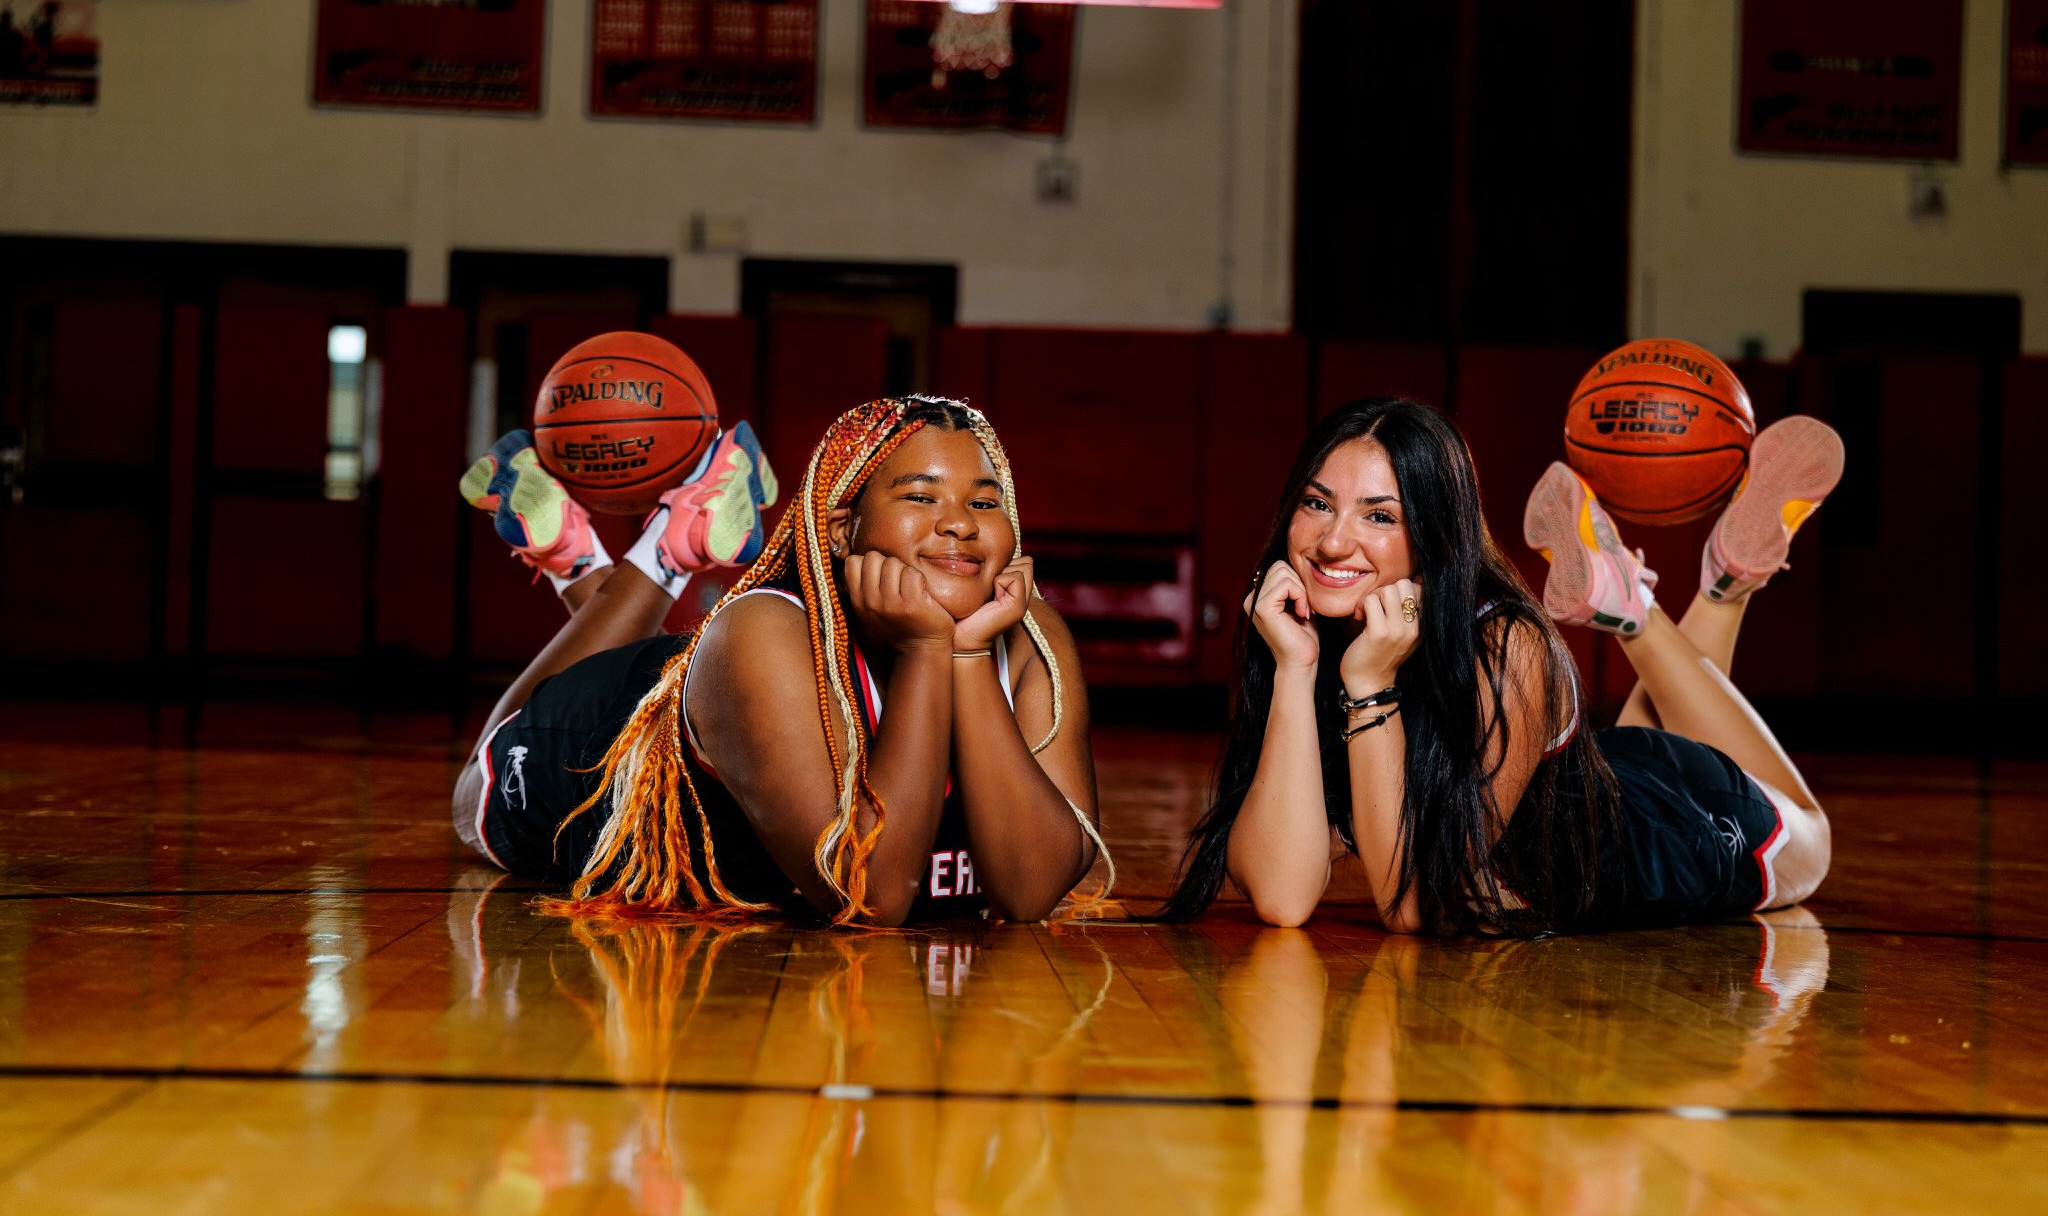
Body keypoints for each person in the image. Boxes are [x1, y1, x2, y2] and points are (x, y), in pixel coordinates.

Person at [1159, 397, 1842, 936]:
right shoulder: (1309, 633)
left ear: (1433, 533)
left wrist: (1369, 684)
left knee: (1812, 841)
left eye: (1380, 516)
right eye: (1317, 503)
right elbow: (1282, 895)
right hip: (1593, 781)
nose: (1334, 540)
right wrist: (1295, 669)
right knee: (1614, 774)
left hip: (1674, 828)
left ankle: (1655, 607)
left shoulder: (1508, 645)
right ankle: (1701, 589)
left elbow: (1415, 905)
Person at [451, 395, 1106, 926]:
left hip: (729, 686)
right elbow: (869, 894)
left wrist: (964, 654)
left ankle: (586, 559)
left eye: (984, 502)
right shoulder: (757, 634)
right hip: (598, 742)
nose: (960, 523)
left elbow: (1029, 891)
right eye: (920, 496)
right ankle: (666, 551)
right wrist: (929, 649)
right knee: (474, 785)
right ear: (842, 530)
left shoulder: (1030, 636)